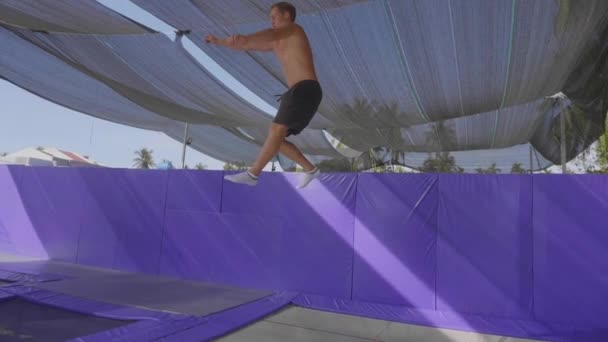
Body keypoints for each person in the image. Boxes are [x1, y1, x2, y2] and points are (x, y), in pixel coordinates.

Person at [205, 1, 322, 189]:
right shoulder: (278, 41)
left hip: (304, 88)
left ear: (286, 15)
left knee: (275, 131)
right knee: (276, 139)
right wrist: (220, 41)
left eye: (274, 16)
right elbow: (248, 45)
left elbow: (266, 34)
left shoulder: (293, 29)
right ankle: (310, 170)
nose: (272, 20)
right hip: (302, 92)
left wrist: (244, 38)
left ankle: (253, 174)